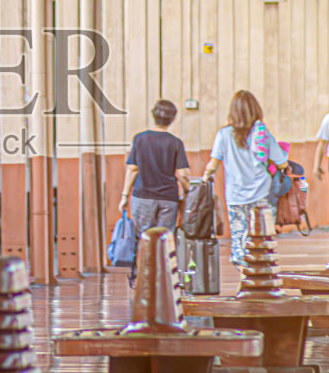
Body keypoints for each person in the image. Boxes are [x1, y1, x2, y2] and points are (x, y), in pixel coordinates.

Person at [203, 90, 288, 265]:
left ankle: (245, 282)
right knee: (261, 239)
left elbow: (213, 164)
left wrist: (205, 177)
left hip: (236, 196)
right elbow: (282, 163)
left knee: (239, 242)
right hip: (262, 195)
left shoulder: (224, 135)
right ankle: (261, 280)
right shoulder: (263, 134)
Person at [119, 100, 191, 284]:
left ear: (153, 115)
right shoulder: (175, 143)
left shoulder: (140, 139)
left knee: (144, 237)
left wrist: (125, 196)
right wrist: (189, 193)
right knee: (164, 239)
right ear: (172, 118)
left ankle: (143, 278)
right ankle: (163, 279)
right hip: (168, 199)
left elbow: (133, 169)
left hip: (142, 197)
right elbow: (183, 174)